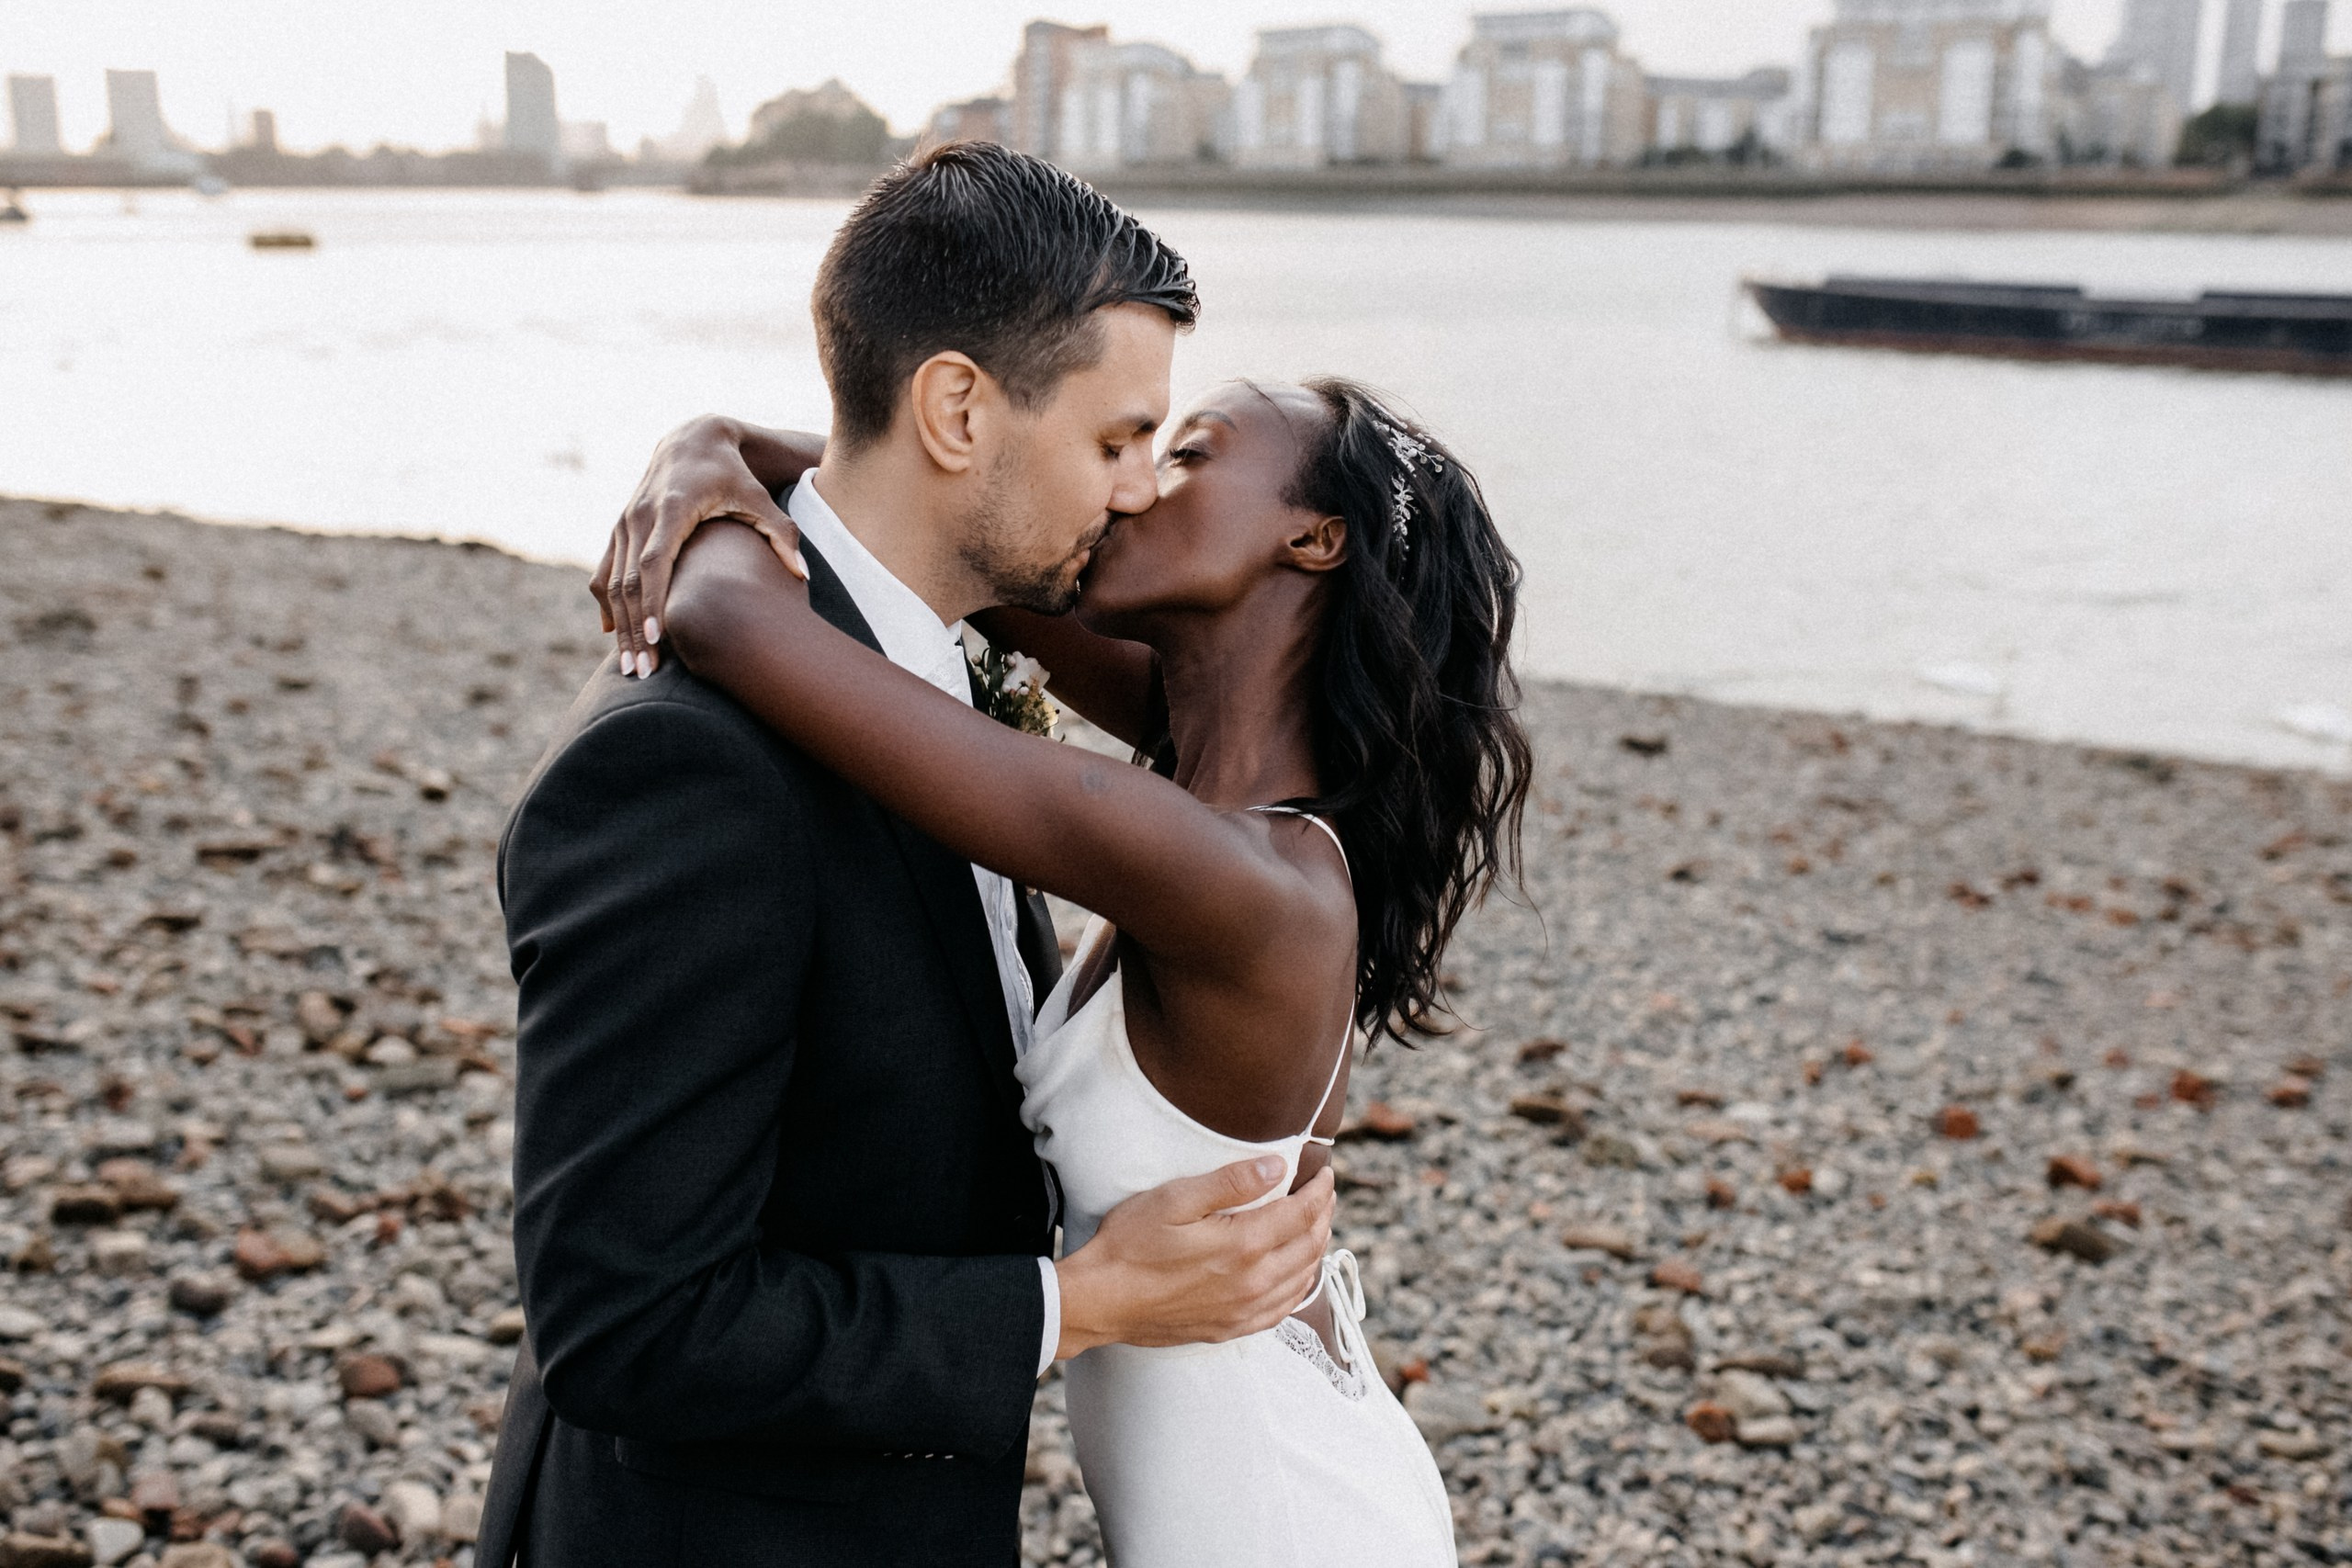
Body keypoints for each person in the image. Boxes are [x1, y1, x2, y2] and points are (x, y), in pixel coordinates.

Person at [599, 218, 1532, 1568]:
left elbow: (732, 623)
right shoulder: (1199, 744)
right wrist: (699, 447)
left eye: (1188, 454)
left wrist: (696, 505)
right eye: (1127, 447)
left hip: (1289, 1524)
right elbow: (906, 522)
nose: (1138, 488)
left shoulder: (1239, 877)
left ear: (1313, 542)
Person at [481, 142, 1340, 1568]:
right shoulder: (685, 770)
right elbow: (630, 1326)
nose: (1136, 493)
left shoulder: (930, 672)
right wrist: (1081, 1304)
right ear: (955, 410)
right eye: (1119, 440)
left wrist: (710, 438)